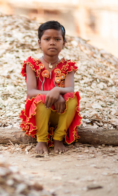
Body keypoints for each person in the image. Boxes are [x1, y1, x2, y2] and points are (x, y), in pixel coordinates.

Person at [19, 21, 82, 155]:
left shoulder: (68, 66)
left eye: (57, 39)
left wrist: (57, 90)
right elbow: (31, 92)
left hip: (60, 112)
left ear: (63, 43)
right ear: (39, 43)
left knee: (72, 98)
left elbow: (70, 88)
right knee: (41, 98)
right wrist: (54, 95)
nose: (52, 42)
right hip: (39, 112)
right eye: (47, 39)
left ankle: (58, 138)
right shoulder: (32, 65)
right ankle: (41, 140)